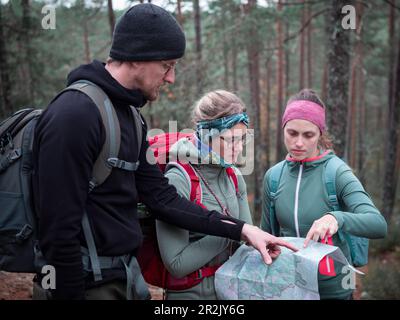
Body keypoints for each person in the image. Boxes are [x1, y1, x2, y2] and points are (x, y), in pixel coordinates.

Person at [31, 3, 296, 300]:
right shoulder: (75, 115)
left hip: (125, 278)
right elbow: (57, 231)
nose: (170, 78)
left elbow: (163, 199)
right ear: (137, 57)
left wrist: (243, 230)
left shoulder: (131, 117)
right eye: (167, 65)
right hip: (83, 283)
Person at [260, 88, 387, 300]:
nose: (299, 142)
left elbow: (378, 224)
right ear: (283, 129)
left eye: (308, 135)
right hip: (288, 287)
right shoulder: (274, 177)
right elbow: (268, 236)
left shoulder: (337, 173)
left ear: (320, 134)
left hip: (334, 289)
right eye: (292, 133)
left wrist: (336, 218)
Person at [156, 90, 254, 300]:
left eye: (242, 140)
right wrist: (234, 231)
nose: (238, 149)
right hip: (190, 295)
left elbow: (247, 242)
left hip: (230, 291)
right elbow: (176, 264)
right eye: (229, 140)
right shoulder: (178, 179)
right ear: (207, 134)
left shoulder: (233, 175)